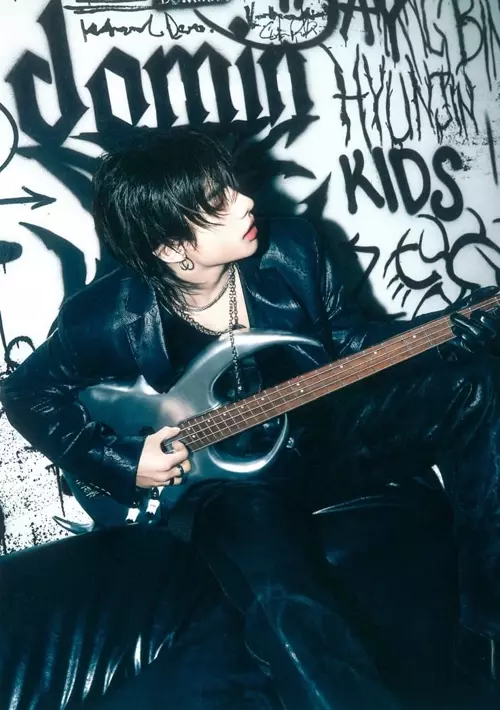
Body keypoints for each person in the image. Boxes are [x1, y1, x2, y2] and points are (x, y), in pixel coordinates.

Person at [2, 128, 500, 710]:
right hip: (222, 489)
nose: (245, 203)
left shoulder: (294, 250)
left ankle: (485, 642)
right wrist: (123, 461)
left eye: (231, 188)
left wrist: (446, 335)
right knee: (287, 597)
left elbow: (347, 344)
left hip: (316, 438)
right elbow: (26, 393)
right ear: (172, 248)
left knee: (478, 384)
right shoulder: (108, 316)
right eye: (218, 203)